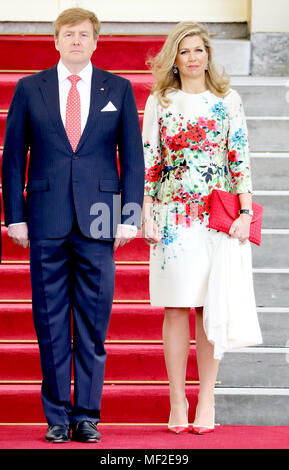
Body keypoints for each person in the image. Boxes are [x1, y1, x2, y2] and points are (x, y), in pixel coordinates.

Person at [2, 7, 144, 443]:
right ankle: (57, 416)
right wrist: (15, 217)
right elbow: (12, 158)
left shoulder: (117, 89)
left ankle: (87, 416)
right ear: (56, 41)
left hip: (100, 220)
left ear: (96, 42)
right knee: (50, 323)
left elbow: (133, 158)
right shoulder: (30, 88)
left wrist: (131, 215)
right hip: (45, 219)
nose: (77, 41)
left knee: (93, 324)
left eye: (85, 34)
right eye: (69, 34)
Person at [141, 22, 262, 435]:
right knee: (176, 308)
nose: (193, 57)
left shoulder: (228, 100)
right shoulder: (162, 101)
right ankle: (178, 400)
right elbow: (151, 160)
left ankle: (206, 398)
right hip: (174, 219)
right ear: (173, 59)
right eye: (184, 51)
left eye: (199, 50)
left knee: (210, 309)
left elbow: (239, 160)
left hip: (217, 221)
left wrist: (245, 213)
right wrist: (148, 211)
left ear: (208, 55)